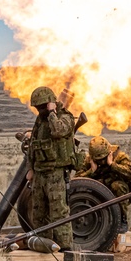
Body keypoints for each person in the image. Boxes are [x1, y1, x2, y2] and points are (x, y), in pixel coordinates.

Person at [25, 86, 77, 251]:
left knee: (59, 213)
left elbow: (58, 131)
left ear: (51, 103)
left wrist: (52, 113)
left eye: (42, 106)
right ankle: (45, 247)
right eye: (37, 107)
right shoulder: (40, 120)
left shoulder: (65, 117)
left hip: (55, 173)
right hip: (40, 173)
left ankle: (66, 250)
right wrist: (30, 168)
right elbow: (33, 145)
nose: (40, 110)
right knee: (39, 213)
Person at [76, 136, 131, 232]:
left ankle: (122, 220)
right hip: (99, 189)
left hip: (115, 190)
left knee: (117, 186)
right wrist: (91, 171)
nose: (102, 162)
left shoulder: (119, 156)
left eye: (103, 158)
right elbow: (77, 180)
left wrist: (112, 164)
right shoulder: (89, 161)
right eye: (98, 160)